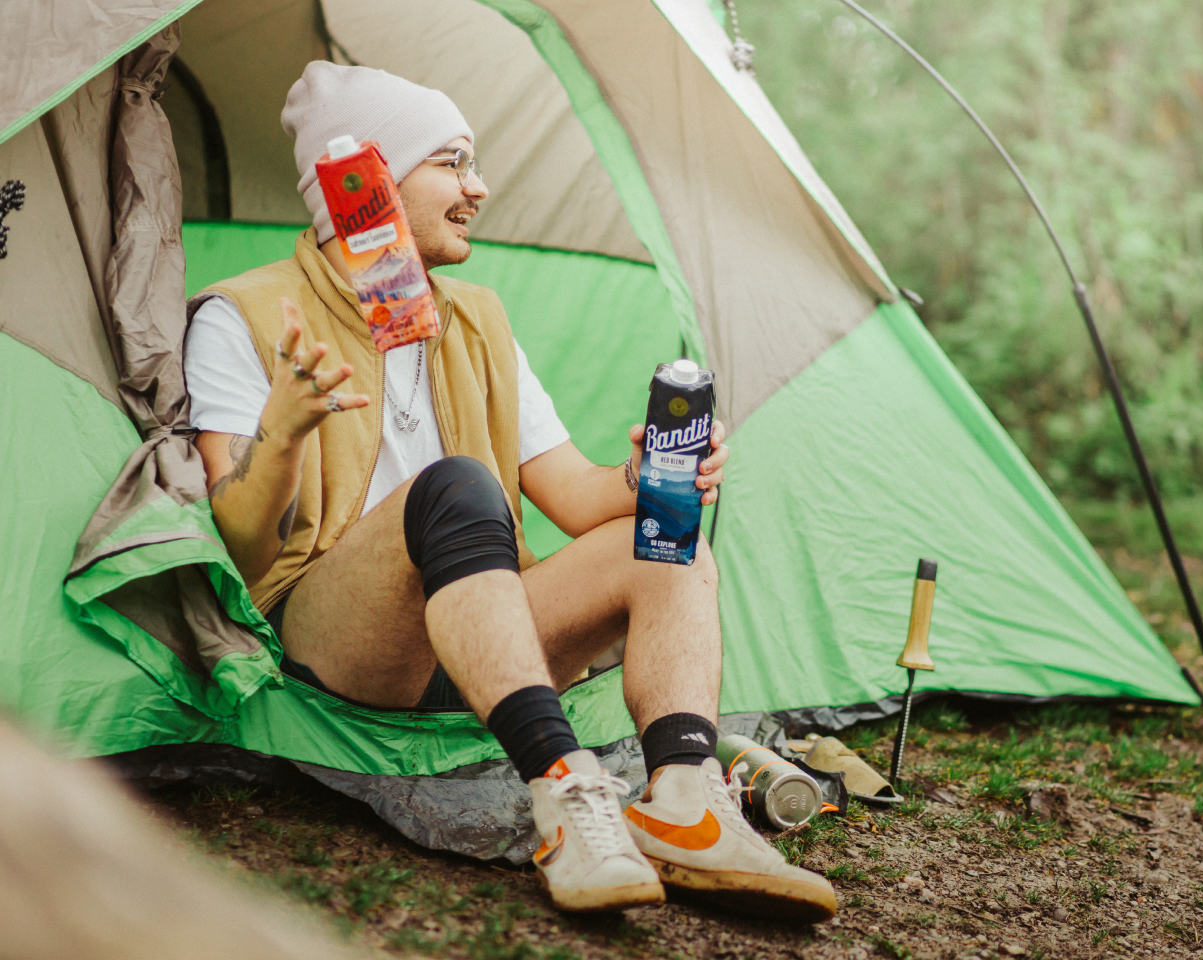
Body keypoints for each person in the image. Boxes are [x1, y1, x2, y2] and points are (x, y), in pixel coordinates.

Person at [184, 61, 835, 920]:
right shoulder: (246, 314)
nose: (478, 188)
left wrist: (641, 481)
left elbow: (572, 495)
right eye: (452, 162)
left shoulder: (478, 317)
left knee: (666, 537)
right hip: (348, 639)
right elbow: (238, 540)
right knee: (454, 485)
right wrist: (287, 427)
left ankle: (686, 802)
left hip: (495, 631)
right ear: (366, 175)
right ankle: (567, 795)